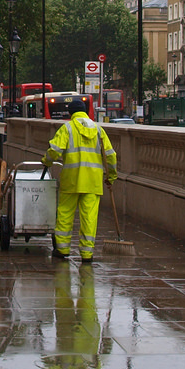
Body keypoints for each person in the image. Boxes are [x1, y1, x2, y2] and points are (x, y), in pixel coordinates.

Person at [41, 98, 117, 263]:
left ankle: (62, 249)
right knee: (89, 218)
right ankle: (87, 253)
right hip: (93, 181)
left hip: (72, 179)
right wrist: (111, 177)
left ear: (70, 113)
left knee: (65, 214)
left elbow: (54, 151)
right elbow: (111, 156)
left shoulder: (67, 128)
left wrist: (46, 160)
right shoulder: (99, 130)